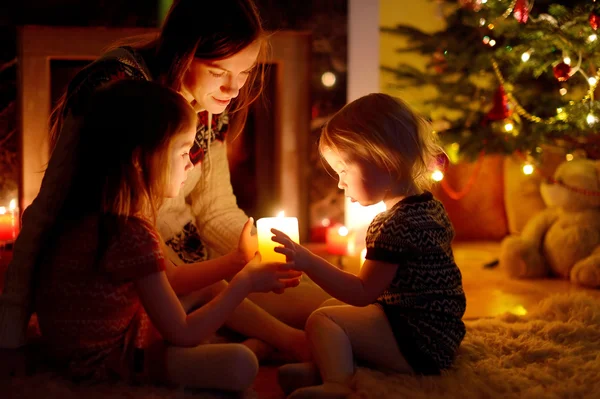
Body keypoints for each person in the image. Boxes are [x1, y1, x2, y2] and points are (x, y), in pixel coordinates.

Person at [0, 0, 328, 377]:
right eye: (219, 70)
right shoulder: (117, 91)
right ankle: (264, 342)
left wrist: (255, 252)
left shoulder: (212, 102)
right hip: (126, 278)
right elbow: (46, 210)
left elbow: (215, 210)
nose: (234, 88)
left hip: (182, 265)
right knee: (274, 319)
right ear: (183, 53)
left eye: (246, 72)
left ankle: (272, 339)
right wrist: (10, 333)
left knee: (318, 305)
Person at [32, 79, 308, 391]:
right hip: (110, 361)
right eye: (182, 152)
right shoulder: (129, 234)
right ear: (139, 160)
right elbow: (182, 331)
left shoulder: (97, 214)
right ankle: (257, 347)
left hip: (97, 338)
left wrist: (237, 262)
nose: (191, 163)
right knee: (241, 365)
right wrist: (245, 283)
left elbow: (171, 279)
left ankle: (287, 341)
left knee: (210, 285)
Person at [271, 93, 467, 398]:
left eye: (344, 170)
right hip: (439, 331)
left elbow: (361, 293)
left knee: (323, 318)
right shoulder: (428, 207)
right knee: (330, 309)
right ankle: (327, 365)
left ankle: (338, 385)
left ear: (383, 161)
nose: (340, 183)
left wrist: (307, 260)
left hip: (419, 341)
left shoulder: (395, 224)